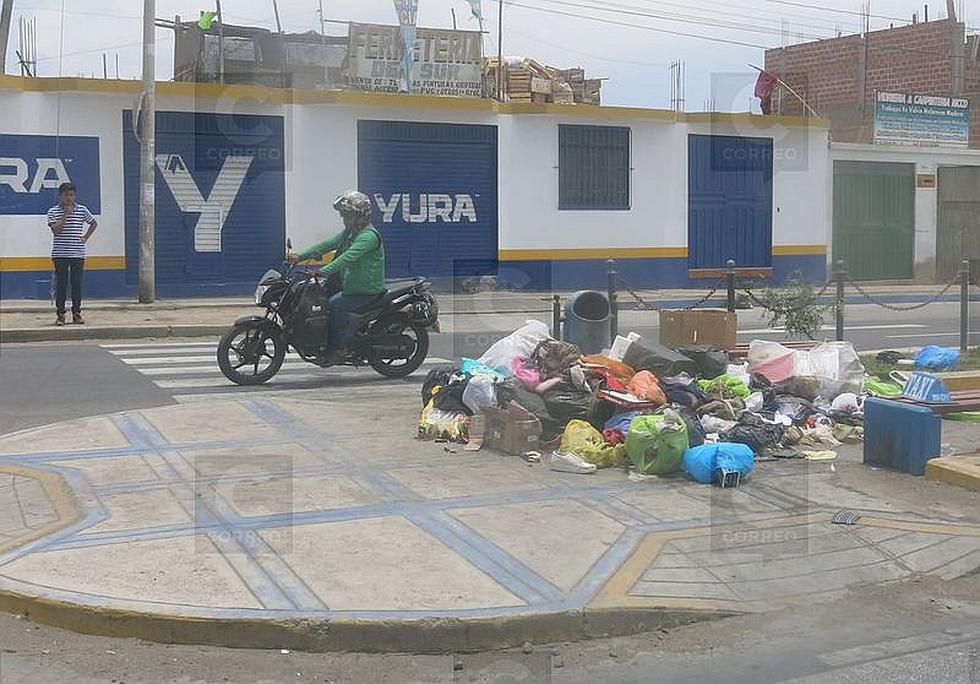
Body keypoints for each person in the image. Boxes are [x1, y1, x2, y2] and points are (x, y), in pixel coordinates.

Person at [288, 191, 386, 363]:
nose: (344, 219)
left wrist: (323, 271)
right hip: (349, 285)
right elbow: (327, 244)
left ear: (359, 216)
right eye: (344, 215)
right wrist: (300, 256)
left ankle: (338, 349)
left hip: (364, 290)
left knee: (334, 306)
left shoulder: (368, 237)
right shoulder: (350, 232)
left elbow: (347, 257)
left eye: (347, 215)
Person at [47, 182, 98, 326]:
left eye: (71, 195)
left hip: (77, 254)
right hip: (60, 254)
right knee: (61, 285)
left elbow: (93, 223)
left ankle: (77, 313)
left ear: (75, 196)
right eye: (66, 195)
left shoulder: (82, 210)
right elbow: (55, 231)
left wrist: (85, 237)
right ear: (60, 196)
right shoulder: (53, 211)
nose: (69, 198)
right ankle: (61, 315)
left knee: (76, 284)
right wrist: (65, 216)